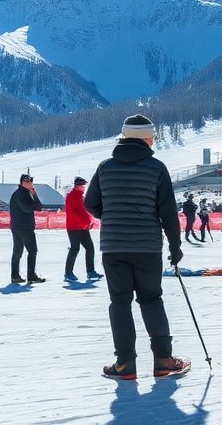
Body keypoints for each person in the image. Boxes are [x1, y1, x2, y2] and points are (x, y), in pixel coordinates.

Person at [85, 114, 188, 380]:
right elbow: (167, 212)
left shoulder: (105, 167)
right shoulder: (156, 168)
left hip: (114, 246)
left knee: (120, 303)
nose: (153, 140)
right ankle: (163, 360)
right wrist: (175, 245)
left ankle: (125, 364)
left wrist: (113, 215)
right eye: (152, 135)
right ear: (144, 137)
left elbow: (90, 204)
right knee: (151, 299)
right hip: (147, 247)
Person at [9, 174, 44, 283]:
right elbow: (26, 208)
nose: (29, 182)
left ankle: (15, 276)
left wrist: (34, 194)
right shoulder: (20, 193)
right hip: (24, 227)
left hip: (18, 226)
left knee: (18, 251)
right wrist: (34, 205)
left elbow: (39, 206)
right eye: (26, 181)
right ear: (21, 183)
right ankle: (31, 276)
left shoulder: (27, 193)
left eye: (30, 180)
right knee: (32, 251)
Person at [64, 177, 100, 281]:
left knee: (90, 248)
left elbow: (85, 212)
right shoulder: (71, 196)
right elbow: (71, 214)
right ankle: (68, 273)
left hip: (83, 227)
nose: (84, 187)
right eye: (83, 185)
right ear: (78, 185)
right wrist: (84, 224)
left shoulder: (82, 196)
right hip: (74, 227)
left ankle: (91, 271)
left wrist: (90, 222)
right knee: (75, 249)